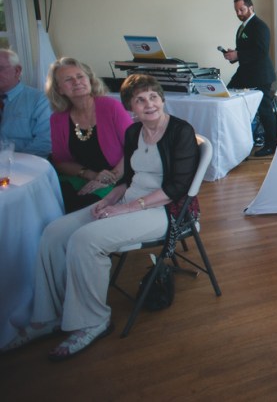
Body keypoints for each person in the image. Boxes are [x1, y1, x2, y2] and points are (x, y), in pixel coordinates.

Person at [1, 74, 199, 360]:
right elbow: (128, 179)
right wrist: (108, 200)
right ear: (130, 107)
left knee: (85, 240)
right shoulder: (134, 132)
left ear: (162, 99)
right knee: (54, 232)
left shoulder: (180, 131)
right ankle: (48, 317)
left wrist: (125, 209)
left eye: (153, 97)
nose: (149, 104)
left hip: (164, 211)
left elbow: (176, 188)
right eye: (140, 100)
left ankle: (94, 320)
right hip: (130, 200)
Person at [46, 58, 134, 213]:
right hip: (83, 177)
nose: (76, 82)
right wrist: (90, 174)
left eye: (80, 76)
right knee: (49, 200)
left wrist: (110, 177)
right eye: (68, 79)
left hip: (120, 175)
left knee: (83, 208)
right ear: (59, 89)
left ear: (90, 80)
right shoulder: (58, 119)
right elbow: (61, 161)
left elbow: (135, 146)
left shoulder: (111, 107)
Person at [221, 0, 277, 156]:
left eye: (242, 9)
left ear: (251, 7)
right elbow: (246, 50)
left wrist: (238, 55)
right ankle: (236, 141)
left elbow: (261, 51)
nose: (239, 13)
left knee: (265, 110)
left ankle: (272, 144)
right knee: (226, 96)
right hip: (245, 73)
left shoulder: (260, 26)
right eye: (236, 10)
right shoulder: (242, 27)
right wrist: (233, 55)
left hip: (260, 75)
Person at [0, 48, 51, 157]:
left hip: (24, 163)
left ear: (17, 71)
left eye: (0, 68)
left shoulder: (40, 100)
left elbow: (45, 142)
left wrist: (13, 162)